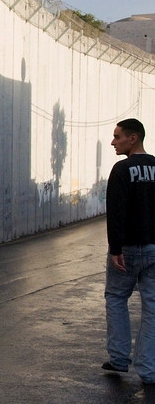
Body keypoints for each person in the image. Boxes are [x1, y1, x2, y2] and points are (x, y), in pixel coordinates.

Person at [103, 118, 155, 386]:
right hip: (154, 250)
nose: (113, 141)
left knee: (115, 297)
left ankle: (119, 358)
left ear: (132, 138)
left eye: (117, 136)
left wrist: (115, 249)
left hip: (127, 249)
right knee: (153, 308)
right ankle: (149, 370)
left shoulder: (122, 170)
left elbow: (116, 212)